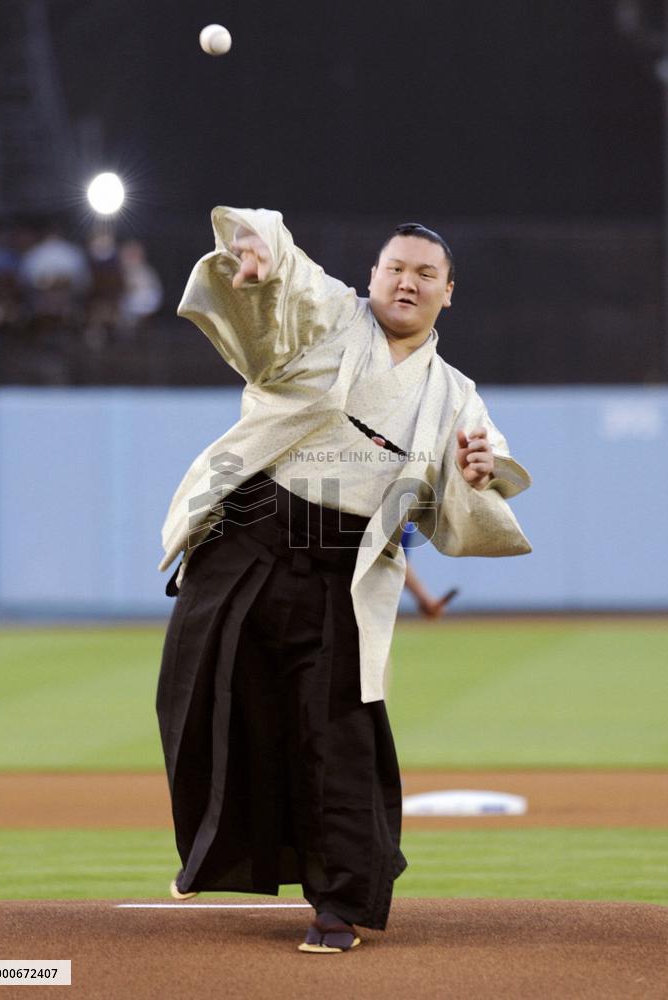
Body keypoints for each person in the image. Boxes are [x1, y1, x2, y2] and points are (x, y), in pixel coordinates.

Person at [156, 208, 531, 954]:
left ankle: (338, 906)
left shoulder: (453, 393)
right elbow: (288, 284)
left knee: (339, 737)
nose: (407, 281)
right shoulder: (331, 317)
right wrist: (260, 250)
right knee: (200, 694)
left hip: (342, 570)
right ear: (372, 276)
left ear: (447, 294)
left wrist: (481, 469)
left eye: (426, 274)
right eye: (395, 267)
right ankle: (214, 849)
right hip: (248, 539)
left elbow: (481, 463)